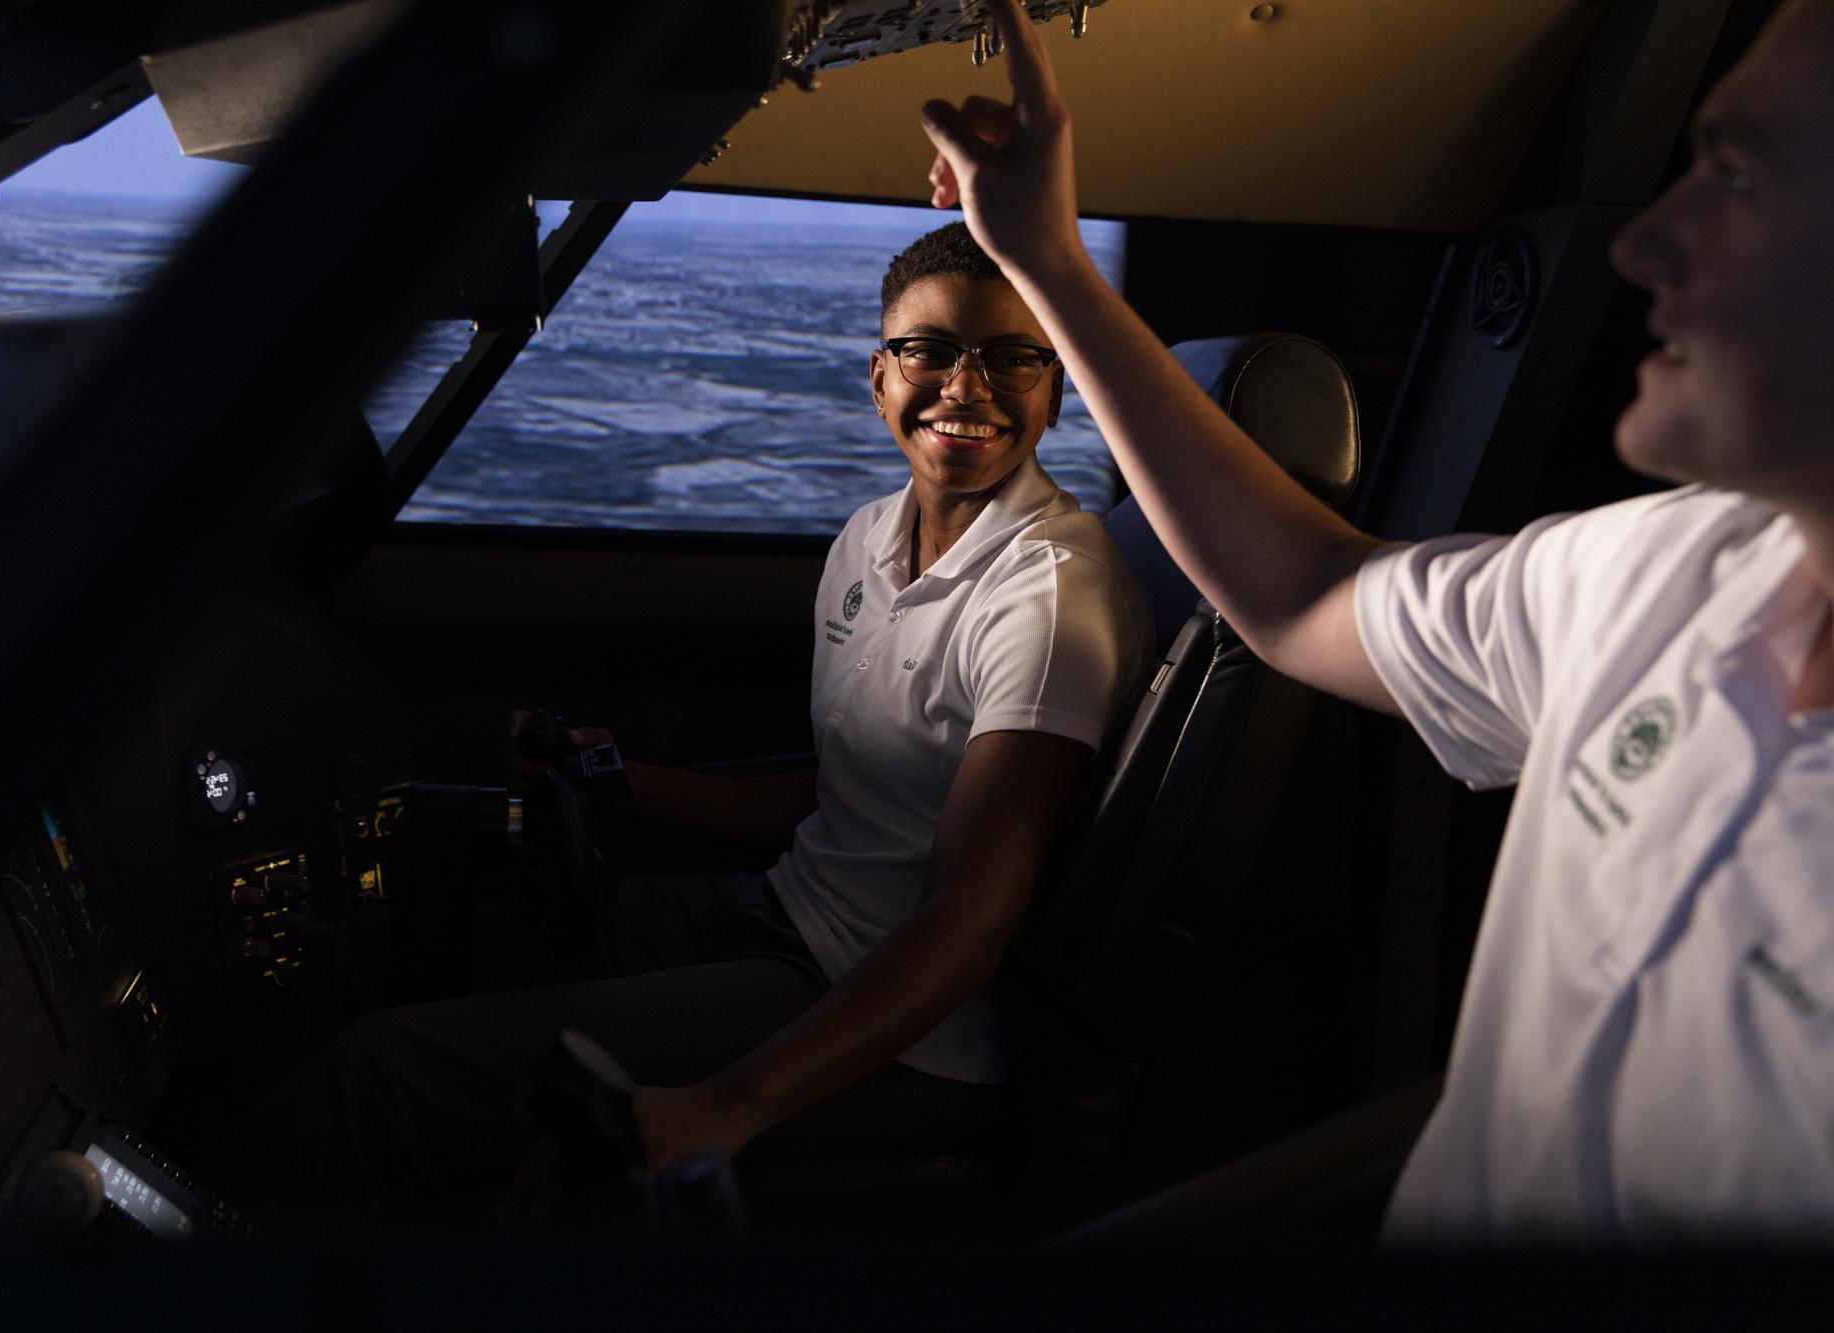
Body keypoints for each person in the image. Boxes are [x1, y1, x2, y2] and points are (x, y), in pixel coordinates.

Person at [917, 0, 1834, 1243]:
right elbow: (1306, 596)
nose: (1645, 244)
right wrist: (1047, 261)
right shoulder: (1656, 573)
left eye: (1733, 178)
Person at [230, 222, 1153, 1222]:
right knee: (414, 937)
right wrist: (625, 778)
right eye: (929, 350)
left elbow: (966, 920)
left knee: (385, 1077)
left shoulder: (1049, 594)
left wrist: (726, 1105)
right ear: (878, 378)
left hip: (892, 1022)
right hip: (782, 915)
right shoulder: (865, 543)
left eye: (1011, 358)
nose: (965, 387)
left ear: (1055, 391)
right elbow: (857, 800)